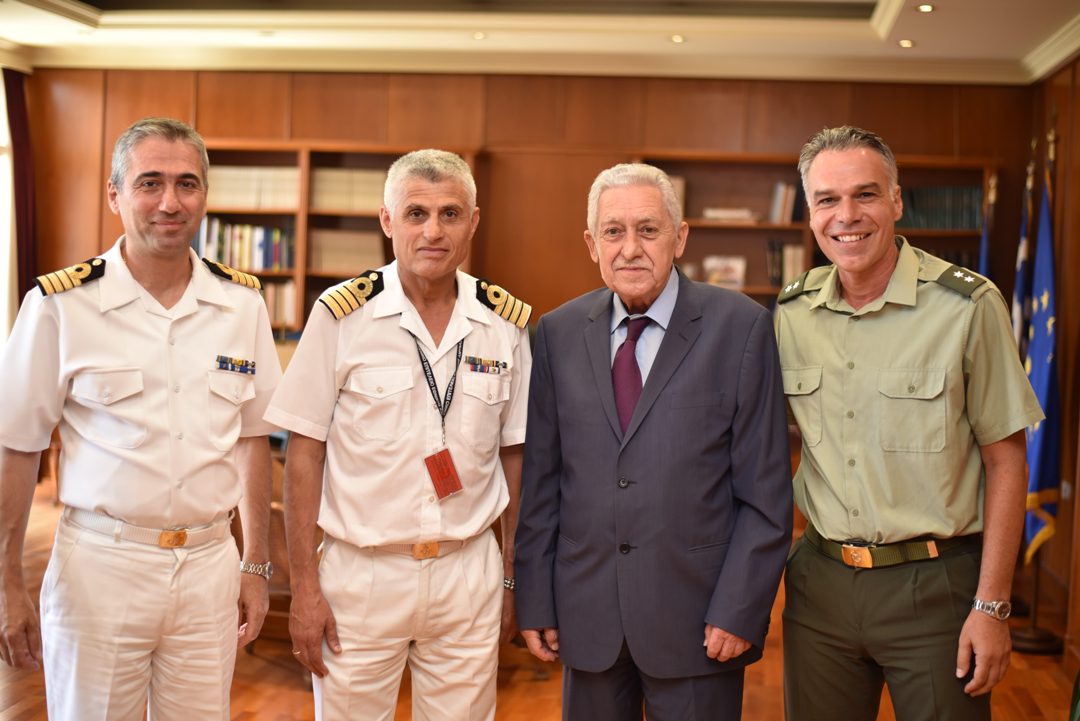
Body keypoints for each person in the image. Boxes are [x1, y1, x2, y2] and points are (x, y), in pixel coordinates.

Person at [0, 117, 279, 720]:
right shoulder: (60, 305)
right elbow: (16, 447)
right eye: (150, 183)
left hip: (209, 567)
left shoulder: (242, 303)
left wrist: (255, 562)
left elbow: (253, 438)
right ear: (115, 195)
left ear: (204, 194)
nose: (170, 202)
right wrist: (5, 584)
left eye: (187, 184)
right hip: (101, 570)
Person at [776, 126, 1044, 721]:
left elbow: (1007, 460)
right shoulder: (790, 313)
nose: (847, 216)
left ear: (896, 201)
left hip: (937, 587)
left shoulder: (967, 306)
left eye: (866, 195)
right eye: (827, 199)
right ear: (810, 211)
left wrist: (993, 605)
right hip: (820, 588)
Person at [514, 162, 792, 720]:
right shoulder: (557, 333)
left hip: (700, 624)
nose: (630, 249)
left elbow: (766, 494)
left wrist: (739, 608)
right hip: (586, 618)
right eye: (613, 232)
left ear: (679, 237)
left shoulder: (741, 328)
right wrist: (536, 598)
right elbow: (542, 485)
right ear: (592, 244)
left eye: (648, 229)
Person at [265, 148, 531, 721]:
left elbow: (516, 455)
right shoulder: (341, 315)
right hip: (361, 575)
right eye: (416, 214)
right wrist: (303, 588)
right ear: (387, 221)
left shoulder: (504, 324)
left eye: (449, 214)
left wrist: (511, 577)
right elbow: (304, 453)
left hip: (468, 571)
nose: (433, 231)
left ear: (473, 222)